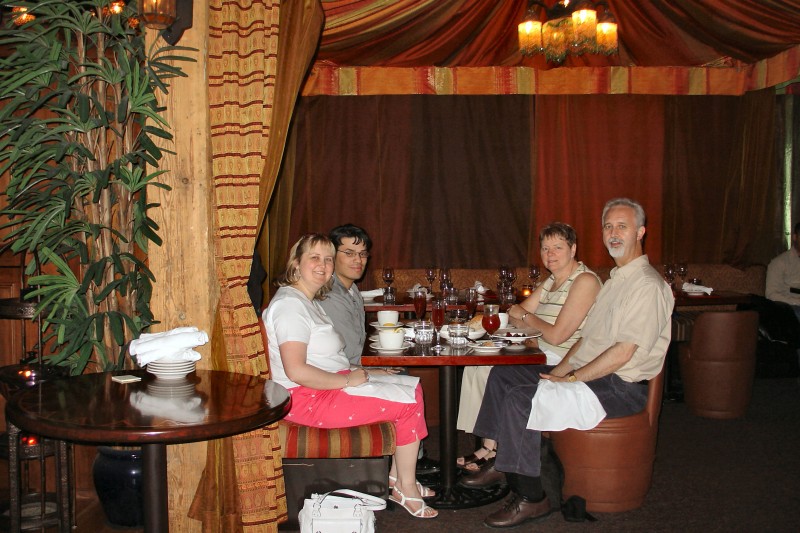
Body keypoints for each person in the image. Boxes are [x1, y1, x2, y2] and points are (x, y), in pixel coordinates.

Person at [461, 198, 674, 528]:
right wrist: (556, 373)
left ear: (641, 232)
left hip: (620, 386)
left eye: (622, 226)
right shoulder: (616, 280)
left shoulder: (647, 285)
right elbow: (586, 342)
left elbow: (624, 352)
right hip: (592, 374)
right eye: (608, 226)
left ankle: (532, 498)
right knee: (506, 377)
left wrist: (573, 378)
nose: (613, 233)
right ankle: (502, 460)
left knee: (521, 399)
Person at [262, 234, 438, 519]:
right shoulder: (289, 307)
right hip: (305, 400)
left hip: (321, 387)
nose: (323, 265)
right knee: (407, 403)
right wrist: (349, 380)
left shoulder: (306, 300)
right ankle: (405, 487)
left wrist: (364, 372)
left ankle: (397, 478)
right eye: (314, 258)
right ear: (296, 265)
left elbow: (324, 360)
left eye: (328, 259)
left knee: (411, 387)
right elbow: (296, 370)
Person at [456, 222, 602, 472]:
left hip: (562, 360)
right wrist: (529, 327)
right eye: (545, 248)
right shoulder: (552, 281)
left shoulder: (585, 281)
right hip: (538, 351)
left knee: (492, 371)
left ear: (573, 249)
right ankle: (489, 442)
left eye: (558, 247)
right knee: (474, 366)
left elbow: (556, 335)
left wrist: (527, 321)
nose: (550, 254)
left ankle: (492, 448)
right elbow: (514, 314)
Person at [319, 224, 372, 365]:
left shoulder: (352, 288)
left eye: (362, 254)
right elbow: (350, 355)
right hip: (343, 373)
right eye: (349, 253)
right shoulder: (331, 295)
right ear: (332, 255)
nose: (358, 260)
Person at [766, 222, 800, 321]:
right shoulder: (779, 263)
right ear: (795, 237)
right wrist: (797, 301)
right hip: (789, 307)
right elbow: (771, 294)